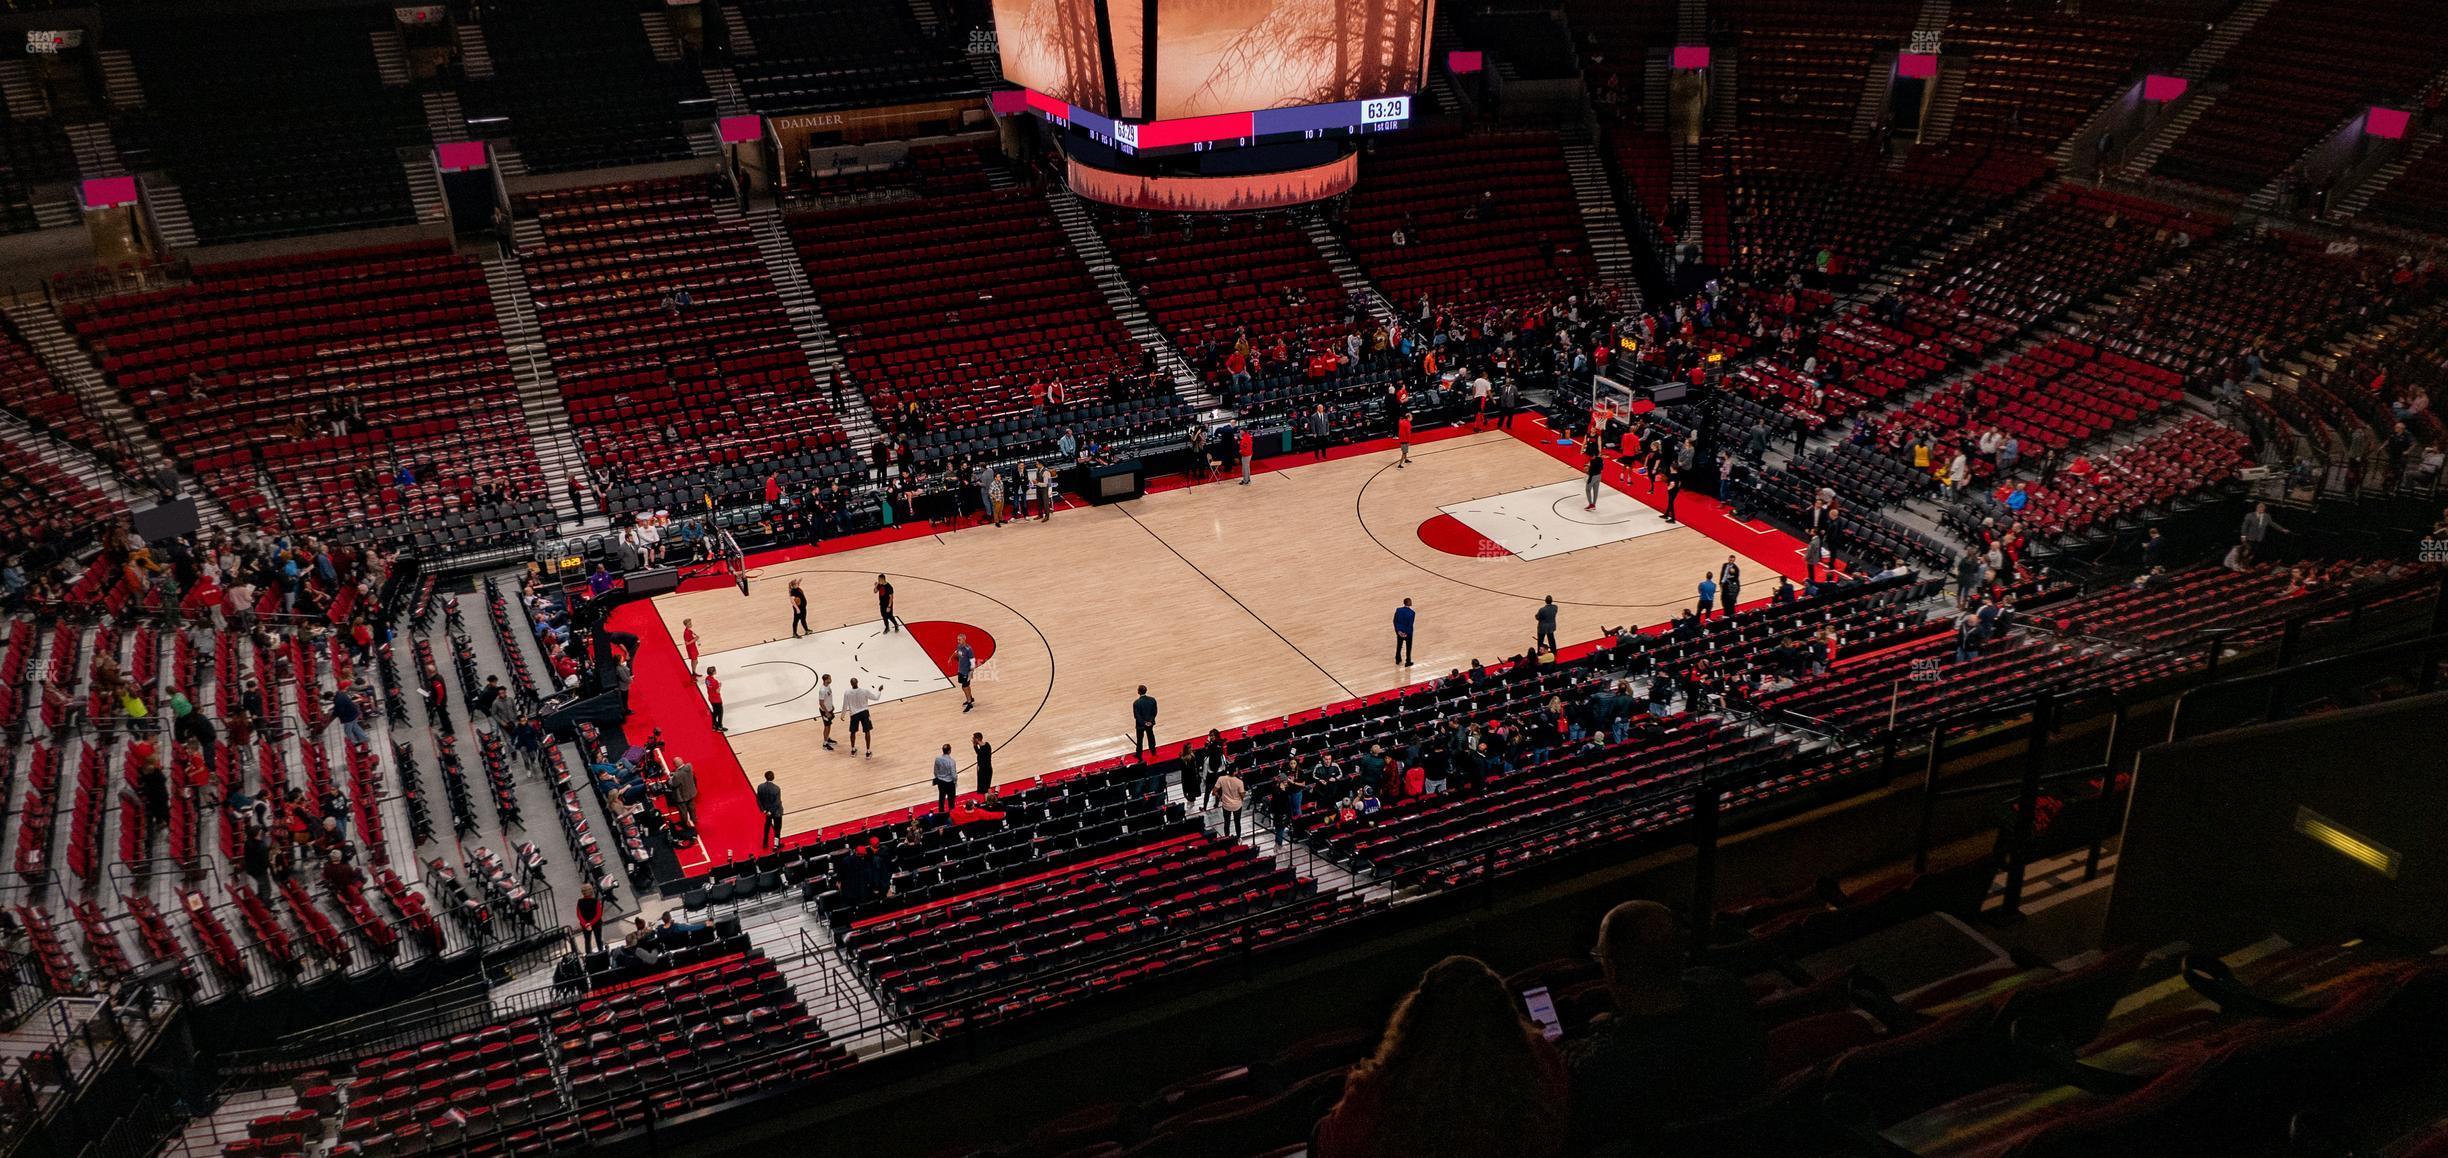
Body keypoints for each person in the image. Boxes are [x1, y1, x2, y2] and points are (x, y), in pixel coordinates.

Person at [1314, 956, 1568, 1158]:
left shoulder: (1380, 1091)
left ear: (1415, 1017)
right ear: (1506, 1013)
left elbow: (1328, 1145)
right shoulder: (1540, 1060)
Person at [1564, 901, 1765, 1150]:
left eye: (1600, 956)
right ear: (1681, 953)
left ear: (1612, 970)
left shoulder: (1604, 1066)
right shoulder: (1724, 988)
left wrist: (1605, 1031)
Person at [1207, 766, 1246, 836]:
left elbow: (1214, 791)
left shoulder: (1221, 779)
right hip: (1237, 805)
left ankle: (1227, 837)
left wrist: (1220, 798)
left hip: (1226, 805)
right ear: (1234, 772)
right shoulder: (1239, 782)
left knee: (1226, 822)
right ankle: (1238, 837)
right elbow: (1242, 796)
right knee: (1237, 822)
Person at [842, 678, 876, 757]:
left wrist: (842, 715)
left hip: (854, 714)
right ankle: (868, 752)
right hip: (864, 713)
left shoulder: (847, 692)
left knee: (853, 732)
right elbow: (875, 698)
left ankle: (853, 750)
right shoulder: (864, 691)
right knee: (867, 731)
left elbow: (845, 705)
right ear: (857, 682)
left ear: (851, 684)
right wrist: (879, 691)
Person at [574, 884, 606, 953]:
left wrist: (586, 924)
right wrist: (591, 923)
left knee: (587, 941)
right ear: (591, 891)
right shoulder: (596, 901)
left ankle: (589, 955)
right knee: (598, 939)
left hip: (585, 925)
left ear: (583, 892)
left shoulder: (579, 901)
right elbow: (599, 914)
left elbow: (578, 914)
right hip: (596, 924)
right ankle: (601, 953)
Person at [756, 770, 784, 847]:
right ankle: (776, 844)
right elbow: (777, 802)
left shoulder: (760, 787)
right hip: (776, 812)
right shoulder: (776, 788)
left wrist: (764, 810)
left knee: (767, 827)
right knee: (777, 829)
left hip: (767, 811)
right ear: (773, 777)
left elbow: (758, 800)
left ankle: (765, 843)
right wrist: (771, 811)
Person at [666, 759, 698, 826]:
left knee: (683, 811)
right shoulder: (689, 766)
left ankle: (685, 823)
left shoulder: (678, 775)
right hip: (691, 792)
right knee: (692, 807)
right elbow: (683, 773)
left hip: (682, 796)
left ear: (676, 764)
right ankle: (694, 819)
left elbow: (673, 784)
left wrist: (670, 779)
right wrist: (675, 774)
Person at [1131, 685, 1159, 760]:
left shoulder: (1136, 703)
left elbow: (1137, 716)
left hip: (1140, 725)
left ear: (1138, 692)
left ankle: (1139, 754)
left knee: (1139, 739)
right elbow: (1154, 712)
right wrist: (1150, 721)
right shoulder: (1152, 700)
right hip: (1150, 723)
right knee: (1151, 736)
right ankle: (1153, 751)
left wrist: (1144, 723)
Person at [931, 744, 959, 815]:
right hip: (950, 783)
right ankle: (952, 814)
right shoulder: (952, 761)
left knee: (941, 799)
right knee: (951, 801)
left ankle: (941, 814)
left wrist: (939, 777)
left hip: (941, 782)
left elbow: (935, 771)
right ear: (949, 751)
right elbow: (953, 775)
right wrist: (955, 780)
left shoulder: (937, 759)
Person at [954, 634, 976, 712]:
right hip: (961, 670)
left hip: (966, 671)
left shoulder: (968, 649)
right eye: (957, 639)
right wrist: (952, 657)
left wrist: (971, 671)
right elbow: (957, 652)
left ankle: (969, 703)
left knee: (964, 687)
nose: (958, 641)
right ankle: (971, 698)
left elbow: (972, 660)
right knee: (966, 686)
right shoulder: (959, 646)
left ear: (964, 639)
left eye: (959, 640)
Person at [1393, 597, 1416, 666]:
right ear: (1409, 603)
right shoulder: (1412, 613)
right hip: (1408, 634)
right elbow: (1410, 624)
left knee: (1399, 646)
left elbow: (1395, 621)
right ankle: (1408, 662)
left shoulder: (1398, 610)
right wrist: (1406, 633)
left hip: (1399, 632)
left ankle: (1398, 659)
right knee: (1408, 648)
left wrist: (1398, 631)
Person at [817, 673, 837, 750]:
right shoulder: (822, 690)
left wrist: (831, 706)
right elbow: (821, 703)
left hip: (829, 709)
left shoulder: (828, 686)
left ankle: (827, 738)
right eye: (829, 678)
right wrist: (826, 712)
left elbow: (828, 697)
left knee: (829, 725)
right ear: (826, 680)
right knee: (826, 726)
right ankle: (825, 744)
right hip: (825, 712)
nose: (831, 679)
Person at [971, 732, 994, 798]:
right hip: (989, 769)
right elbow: (979, 752)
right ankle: (992, 801)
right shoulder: (987, 745)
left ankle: (988, 803)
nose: (972, 740)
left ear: (977, 739)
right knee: (988, 787)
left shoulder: (982, 750)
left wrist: (975, 745)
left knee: (985, 790)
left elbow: (979, 754)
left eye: (974, 738)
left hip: (983, 771)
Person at [1583, 441, 1605, 511]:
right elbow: (1601, 468)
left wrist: (1586, 469)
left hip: (1593, 476)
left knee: (1587, 489)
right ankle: (1594, 504)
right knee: (1596, 491)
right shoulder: (1600, 459)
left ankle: (1591, 504)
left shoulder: (1592, 461)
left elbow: (1589, 470)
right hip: (1599, 476)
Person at [705, 667, 725, 732]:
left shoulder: (707, 679)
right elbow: (717, 691)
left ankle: (714, 725)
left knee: (715, 712)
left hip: (711, 698)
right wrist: (719, 686)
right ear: (713, 672)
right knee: (720, 713)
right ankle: (720, 727)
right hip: (717, 699)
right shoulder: (715, 681)